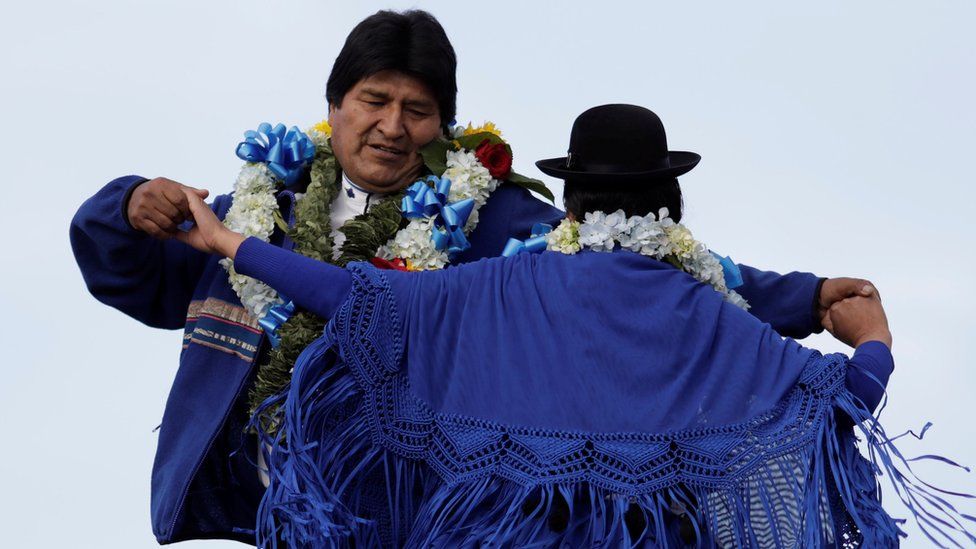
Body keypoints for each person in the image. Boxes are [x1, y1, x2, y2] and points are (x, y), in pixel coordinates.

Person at [70, 12, 873, 547]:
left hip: (410, 515)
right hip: (255, 506)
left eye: (416, 109)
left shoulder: (500, 224)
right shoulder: (246, 214)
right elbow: (127, 274)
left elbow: (642, 274)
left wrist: (802, 297)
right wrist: (126, 203)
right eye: (372, 100)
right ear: (333, 106)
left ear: (445, 125)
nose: (391, 126)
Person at [169, 104, 972, 547]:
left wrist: (228, 239)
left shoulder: (492, 290)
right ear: (672, 213)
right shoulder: (713, 322)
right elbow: (846, 400)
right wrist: (872, 333)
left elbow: (343, 294)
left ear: (573, 206)